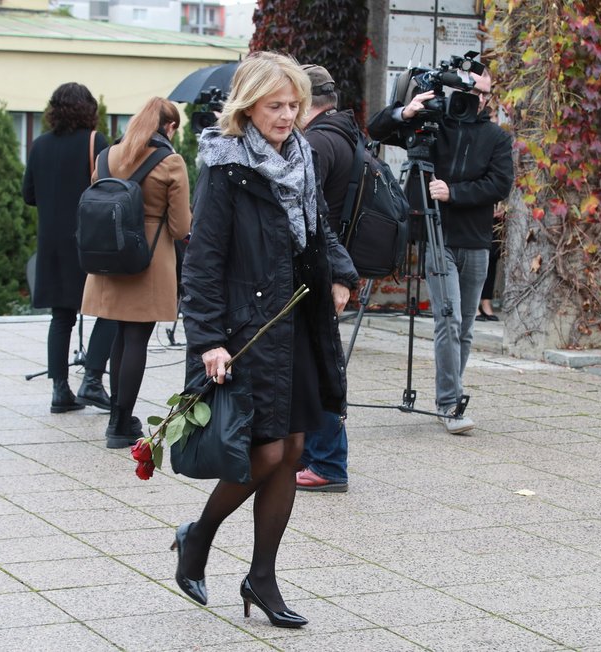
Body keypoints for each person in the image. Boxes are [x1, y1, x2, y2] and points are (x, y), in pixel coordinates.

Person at [176, 51, 357, 629]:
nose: (287, 115)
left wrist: (342, 275)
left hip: (298, 326)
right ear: (248, 104)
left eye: (294, 105)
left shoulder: (300, 156)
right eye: (276, 105)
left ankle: (262, 577)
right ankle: (197, 536)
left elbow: (319, 229)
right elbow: (202, 261)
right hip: (246, 329)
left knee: (295, 448)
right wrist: (208, 339)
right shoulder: (224, 168)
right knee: (267, 450)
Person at [368, 67, 514, 435]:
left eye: (483, 93)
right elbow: (376, 130)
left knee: (464, 326)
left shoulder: (496, 136)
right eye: (470, 90)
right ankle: (450, 402)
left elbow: (500, 182)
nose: (476, 98)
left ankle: (452, 395)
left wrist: (455, 192)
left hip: (476, 241)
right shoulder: (432, 127)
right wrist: (406, 111)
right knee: (447, 319)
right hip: (436, 237)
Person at [81, 97, 191, 449]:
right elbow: (179, 227)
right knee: (137, 339)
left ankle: (119, 415)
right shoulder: (171, 161)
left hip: (108, 255)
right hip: (149, 258)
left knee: (119, 335)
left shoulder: (106, 156)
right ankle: (119, 423)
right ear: (170, 127)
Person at [22, 82, 117, 414]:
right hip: (88, 240)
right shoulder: (95, 142)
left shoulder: (39, 145)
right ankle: (92, 378)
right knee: (110, 310)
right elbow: (108, 188)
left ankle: (60, 390)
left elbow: (28, 195)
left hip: (51, 242)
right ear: (89, 109)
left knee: (60, 317)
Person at [294, 63, 358, 493]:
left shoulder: (316, 141)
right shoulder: (348, 133)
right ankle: (313, 457)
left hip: (320, 267)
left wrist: (337, 273)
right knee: (317, 366)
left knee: (316, 369)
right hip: (331, 264)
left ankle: (327, 463)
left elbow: (314, 218)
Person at [476, 202, 505, 322]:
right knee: (475, 258)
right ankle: (473, 303)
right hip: (476, 213)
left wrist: (505, 208)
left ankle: (486, 302)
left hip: (495, 217)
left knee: (492, 257)